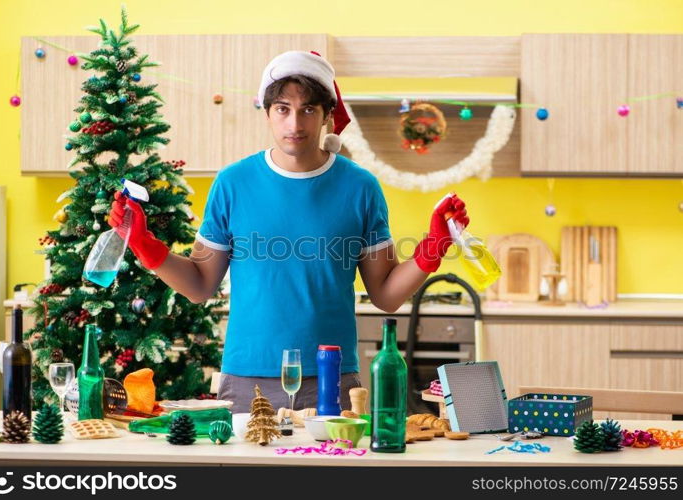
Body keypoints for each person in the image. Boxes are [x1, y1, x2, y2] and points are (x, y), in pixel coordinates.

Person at [109, 50, 469, 413]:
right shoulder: (233, 183)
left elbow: (386, 295)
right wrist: (143, 243)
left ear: (328, 115)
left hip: (331, 378)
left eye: (308, 109)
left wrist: (435, 244)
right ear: (267, 113)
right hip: (248, 378)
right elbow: (199, 284)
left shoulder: (360, 187)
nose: (295, 123)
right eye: (283, 108)